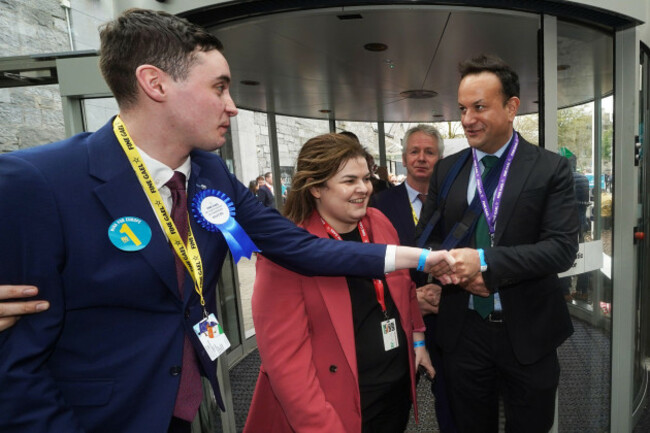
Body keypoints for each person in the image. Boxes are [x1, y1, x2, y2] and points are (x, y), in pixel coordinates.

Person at [0, 9, 453, 433]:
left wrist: (425, 259)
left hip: (183, 406)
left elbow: (301, 248)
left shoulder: (210, 173)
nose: (232, 106)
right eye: (218, 87)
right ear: (155, 83)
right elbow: (18, 357)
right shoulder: (39, 180)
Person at [418, 54, 578, 433]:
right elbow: (428, 238)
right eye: (462, 108)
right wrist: (447, 270)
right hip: (464, 329)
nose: (468, 119)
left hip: (529, 331)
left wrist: (485, 263)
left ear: (511, 108)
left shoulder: (549, 168)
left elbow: (561, 249)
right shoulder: (448, 169)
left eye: (479, 107)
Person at [244, 133, 437, 433]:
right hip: (337, 409)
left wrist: (418, 340)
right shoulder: (286, 254)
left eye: (366, 178)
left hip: (394, 395)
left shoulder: (379, 222)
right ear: (317, 188)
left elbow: (404, 289)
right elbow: (287, 367)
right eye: (349, 181)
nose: (364, 189)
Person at [371, 124, 457, 433]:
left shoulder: (455, 202)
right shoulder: (378, 205)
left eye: (429, 152)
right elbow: (371, 262)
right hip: (396, 322)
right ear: (404, 158)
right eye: (414, 151)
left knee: (452, 403)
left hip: (446, 317)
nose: (421, 158)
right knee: (391, 407)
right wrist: (408, 301)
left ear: (440, 159)